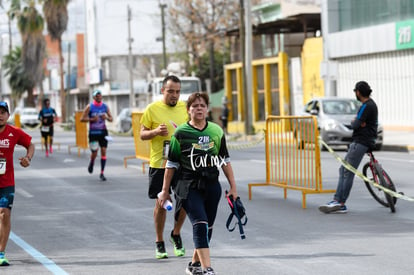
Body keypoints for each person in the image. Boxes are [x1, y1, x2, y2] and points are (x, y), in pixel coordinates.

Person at [157, 92, 238, 275]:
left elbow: (224, 160)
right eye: (195, 106)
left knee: (207, 227)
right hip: (187, 186)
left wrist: (233, 187)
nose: (199, 109)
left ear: (207, 109)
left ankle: (193, 264)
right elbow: (171, 164)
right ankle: (207, 268)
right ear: (188, 110)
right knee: (200, 223)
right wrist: (164, 191)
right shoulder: (181, 133)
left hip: (211, 185)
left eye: (202, 105)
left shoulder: (216, 131)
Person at [140, 75, 188, 259]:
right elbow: (142, 134)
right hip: (160, 163)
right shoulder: (152, 109)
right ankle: (159, 241)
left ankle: (176, 234)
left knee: (185, 201)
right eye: (170, 91)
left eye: (177, 92)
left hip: (182, 164)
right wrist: (156, 132)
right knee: (162, 204)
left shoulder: (185, 108)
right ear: (163, 91)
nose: (174, 95)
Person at [319, 81, 378, 214]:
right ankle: (338, 200)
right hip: (365, 141)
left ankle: (340, 202)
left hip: (360, 142)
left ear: (358, 92)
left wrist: (356, 122)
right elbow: (359, 123)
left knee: (347, 171)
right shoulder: (371, 104)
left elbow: (356, 124)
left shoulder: (366, 106)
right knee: (344, 170)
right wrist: (358, 122)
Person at [0, 101, 35, 266]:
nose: (0, 115)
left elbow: (30, 144)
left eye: (3, 112)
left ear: (8, 115)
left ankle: (1, 253)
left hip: (7, 182)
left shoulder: (14, 132)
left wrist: (28, 158)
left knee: (4, 214)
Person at [80, 90, 113, 181]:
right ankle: (92, 162)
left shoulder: (105, 107)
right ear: (94, 97)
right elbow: (82, 119)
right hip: (93, 133)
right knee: (94, 152)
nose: (99, 97)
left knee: (103, 151)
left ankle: (102, 173)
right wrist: (91, 119)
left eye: (100, 96)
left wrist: (106, 117)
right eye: (97, 96)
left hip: (103, 132)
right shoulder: (89, 107)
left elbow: (111, 119)